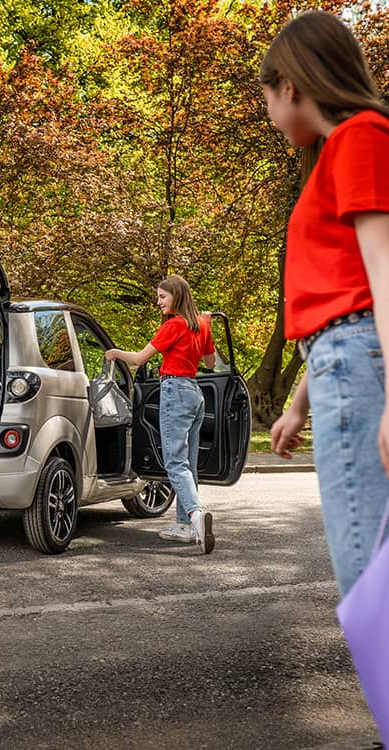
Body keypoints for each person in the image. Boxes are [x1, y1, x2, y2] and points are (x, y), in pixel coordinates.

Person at [265, 11, 389, 599]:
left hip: (357, 364)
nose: (269, 114)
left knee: (368, 578)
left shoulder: (360, 136)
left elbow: (383, 274)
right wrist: (299, 404)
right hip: (341, 362)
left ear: (290, 85)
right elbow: (344, 299)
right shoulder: (342, 149)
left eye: (267, 96)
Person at [105, 275, 216, 553]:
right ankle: (183, 526)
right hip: (195, 392)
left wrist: (115, 353)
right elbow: (211, 363)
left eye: (162, 297)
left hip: (175, 392)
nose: (158, 302)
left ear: (176, 296)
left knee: (175, 463)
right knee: (188, 464)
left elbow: (141, 359)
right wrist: (209, 327)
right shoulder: (201, 325)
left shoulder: (174, 325)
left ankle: (195, 516)